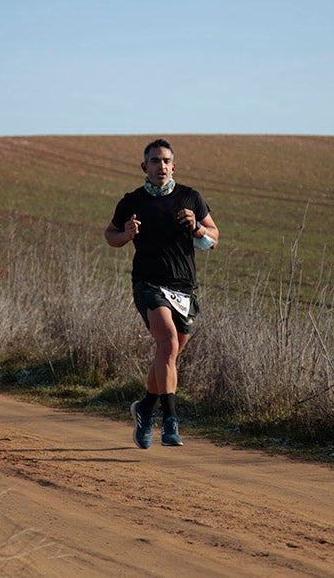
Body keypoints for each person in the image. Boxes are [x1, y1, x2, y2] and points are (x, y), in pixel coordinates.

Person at [104, 139, 219, 448]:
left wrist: (198, 229)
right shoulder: (132, 201)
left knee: (168, 355)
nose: (161, 166)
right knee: (167, 342)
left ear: (173, 166)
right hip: (148, 285)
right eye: (155, 161)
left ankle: (144, 408)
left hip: (184, 287)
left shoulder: (190, 197)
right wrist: (125, 235)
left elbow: (214, 237)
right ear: (145, 167)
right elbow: (110, 235)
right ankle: (170, 422)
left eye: (166, 160)